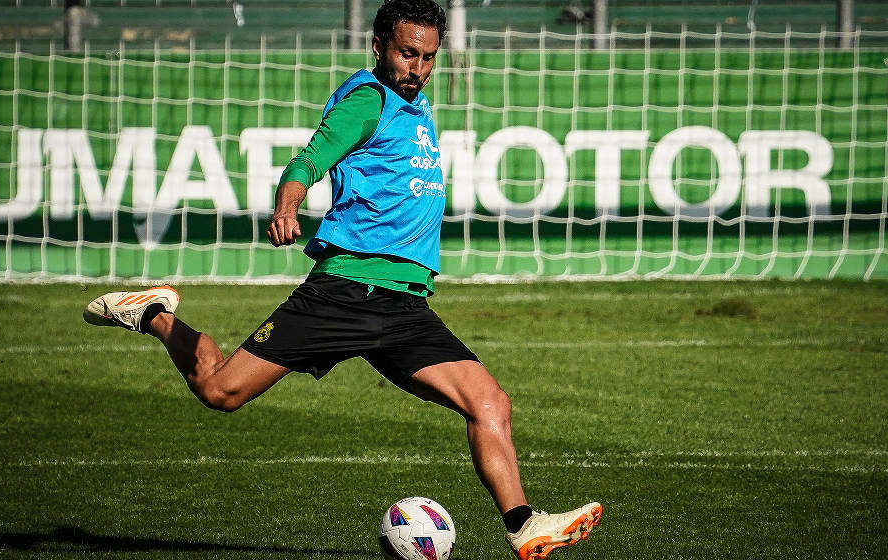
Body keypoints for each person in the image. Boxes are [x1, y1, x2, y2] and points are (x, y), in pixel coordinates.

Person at [83, 1, 600, 558]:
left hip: (403, 305)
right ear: (379, 47)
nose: (419, 67)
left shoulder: (416, 102)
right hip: (346, 292)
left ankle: (524, 525)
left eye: (428, 57)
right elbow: (307, 162)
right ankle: (156, 314)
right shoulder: (367, 101)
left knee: (491, 403)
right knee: (219, 391)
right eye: (407, 54)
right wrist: (288, 206)